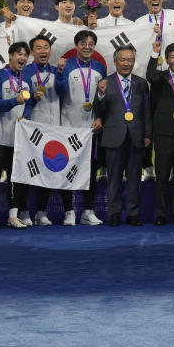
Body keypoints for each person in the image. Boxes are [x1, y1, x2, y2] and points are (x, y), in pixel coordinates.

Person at [93, 45, 152, 227]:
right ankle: (115, 214)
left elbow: (146, 111)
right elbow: (98, 110)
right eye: (123, 60)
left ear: (134, 62)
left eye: (130, 60)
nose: (126, 63)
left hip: (136, 136)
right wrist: (101, 93)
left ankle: (134, 214)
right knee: (114, 179)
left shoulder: (141, 83)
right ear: (115, 61)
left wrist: (148, 134)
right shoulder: (106, 82)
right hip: (113, 136)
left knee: (134, 178)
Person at [55, 30, 106, 226]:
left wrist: (100, 117)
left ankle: (87, 211)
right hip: (68, 127)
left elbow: (103, 98)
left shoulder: (100, 68)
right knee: (68, 169)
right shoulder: (66, 65)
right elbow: (59, 91)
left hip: (91, 129)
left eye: (91, 43)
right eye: (83, 43)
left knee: (90, 171)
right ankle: (69, 212)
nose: (87, 46)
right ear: (76, 45)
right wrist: (59, 73)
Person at [0, 42, 32, 229]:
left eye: (25, 55)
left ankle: (13, 216)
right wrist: (15, 101)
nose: (22, 58)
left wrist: (26, 114)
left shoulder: (26, 78)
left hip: (17, 139)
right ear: (10, 55)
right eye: (19, 54)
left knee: (15, 178)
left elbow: (29, 103)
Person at [146, 42, 174, 225]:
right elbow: (149, 75)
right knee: (162, 176)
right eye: (172, 57)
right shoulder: (160, 77)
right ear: (167, 59)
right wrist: (154, 53)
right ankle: (161, 214)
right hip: (163, 132)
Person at [21, 35, 64, 226]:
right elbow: (20, 98)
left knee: (48, 169)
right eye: (38, 48)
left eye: (46, 47)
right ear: (32, 52)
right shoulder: (25, 72)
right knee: (28, 169)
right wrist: (31, 99)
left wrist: (62, 73)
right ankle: (23, 212)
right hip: (31, 128)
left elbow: (65, 93)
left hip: (54, 128)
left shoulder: (57, 71)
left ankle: (41, 211)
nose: (43, 51)